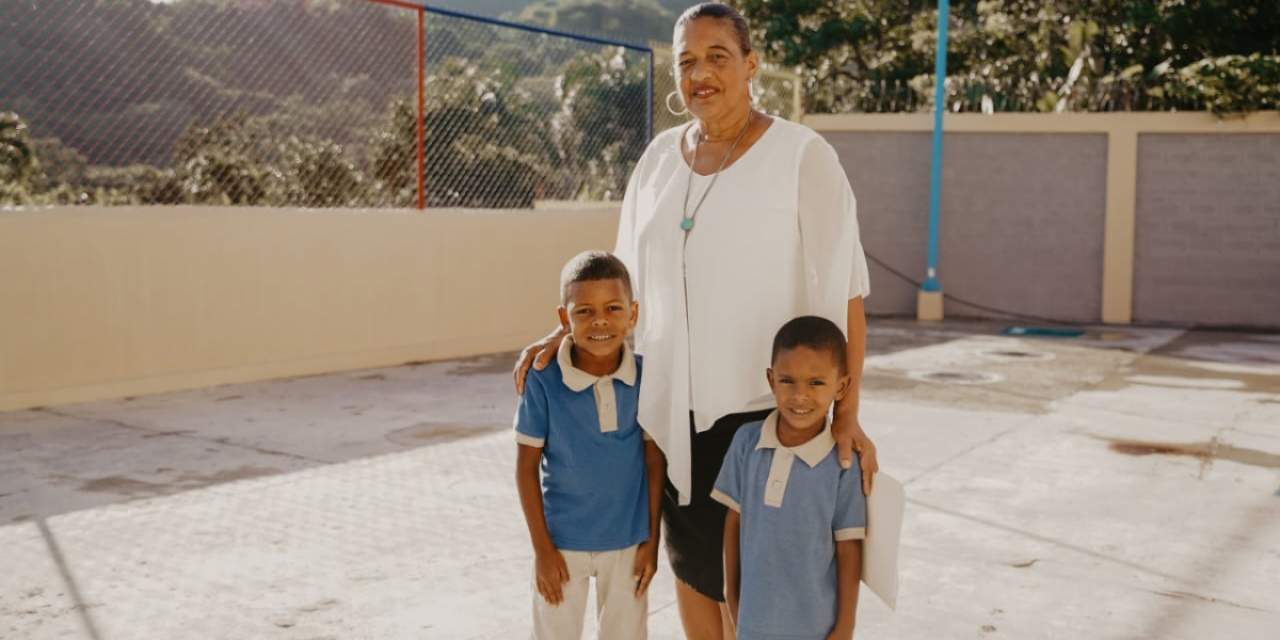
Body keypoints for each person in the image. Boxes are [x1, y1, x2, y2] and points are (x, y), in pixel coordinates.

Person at [513, 4, 878, 638]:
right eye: (686, 61)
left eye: (717, 57)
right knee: (692, 574)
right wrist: (566, 331)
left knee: (754, 593)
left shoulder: (802, 155)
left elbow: (846, 292)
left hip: (761, 417)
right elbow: (621, 280)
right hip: (669, 414)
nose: (700, 73)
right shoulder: (658, 160)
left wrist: (846, 413)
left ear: (750, 64)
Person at [513, 251, 666, 640]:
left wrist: (651, 541)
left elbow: (653, 461)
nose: (600, 321)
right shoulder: (543, 379)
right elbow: (526, 467)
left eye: (613, 308)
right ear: (564, 319)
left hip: (629, 542)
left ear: (632, 314)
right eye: (584, 311)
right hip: (561, 544)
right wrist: (542, 551)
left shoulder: (646, 375)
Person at [713, 316, 866, 640]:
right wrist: (732, 595)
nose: (800, 395)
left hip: (816, 628)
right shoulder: (746, 442)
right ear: (771, 380)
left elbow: (849, 548)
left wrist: (846, 626)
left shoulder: (843, 463)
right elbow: (733, 521)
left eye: (816, 383)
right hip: (753, 622)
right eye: (787, 381)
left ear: (841, 387)